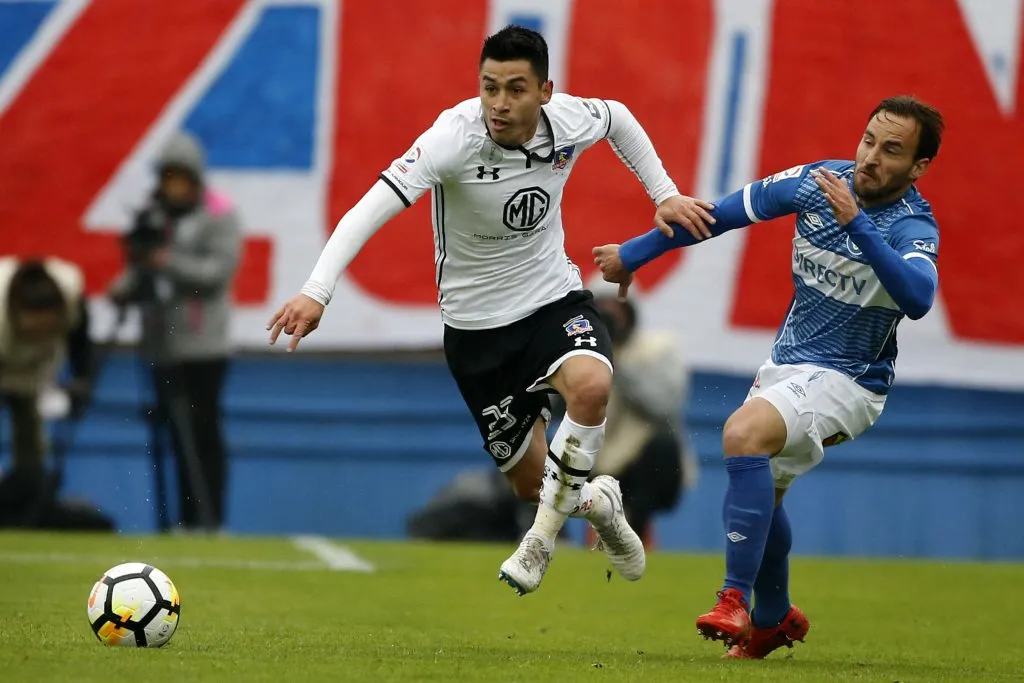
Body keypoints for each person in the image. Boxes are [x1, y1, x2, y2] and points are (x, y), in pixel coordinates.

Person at [267, 25, 715, 596]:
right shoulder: (451, 139)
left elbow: (619, 117)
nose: (499, 104)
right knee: (535, 484)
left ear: (545, 92)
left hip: (552, 302)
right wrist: (317, 290)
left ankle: (540, 541)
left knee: (592, 387)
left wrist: (664, 194)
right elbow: (368, 208)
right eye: (489, 87)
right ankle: (599, 502)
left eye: (516, 89)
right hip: (477, 334)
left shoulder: (569, 120)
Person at [593, 95, 943, 656]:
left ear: (918, 167)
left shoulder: (911, 224)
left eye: (892, 150)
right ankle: (776, 617)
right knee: (766, 498)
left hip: (852, 380)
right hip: (787, 365)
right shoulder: (816, 182)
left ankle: (733, 600)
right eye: (869, 140)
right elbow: (716, 214)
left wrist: (859, 227)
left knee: (741, 434)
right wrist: (635, 253)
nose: (871, 157)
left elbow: (919, 297)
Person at [108, 131, 243, 532]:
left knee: (203, 432)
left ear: (196, 179)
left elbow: (216, 275)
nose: (174, 188)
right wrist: (125, 287)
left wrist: (168, 260)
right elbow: (139, 271)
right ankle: (176, 520)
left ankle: (209, 517)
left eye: (181, 179)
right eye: (168, 179)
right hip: (159, 342)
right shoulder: (153, 214)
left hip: (203, 345)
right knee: (170, 430)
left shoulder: (219, 214)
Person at [591, 290, 697, 543]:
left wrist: (615, 362)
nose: (610, 317)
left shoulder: (659, 347)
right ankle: (550, 538)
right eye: (602, 309)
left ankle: (635, 530)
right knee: (542, 447)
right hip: (594, 456)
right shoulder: (581, 355)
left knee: (663, 444)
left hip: (644, 465)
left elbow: (664, 406)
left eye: (615, 308)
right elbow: (556, 409)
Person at [0, 257, 94, 476]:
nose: (38, 334)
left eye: (46, 328)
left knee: (31, 436)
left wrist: (82, 377)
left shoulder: (70, 293)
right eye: (33, 329)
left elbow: (79, 339)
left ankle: (30, 490)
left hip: (36, 373)